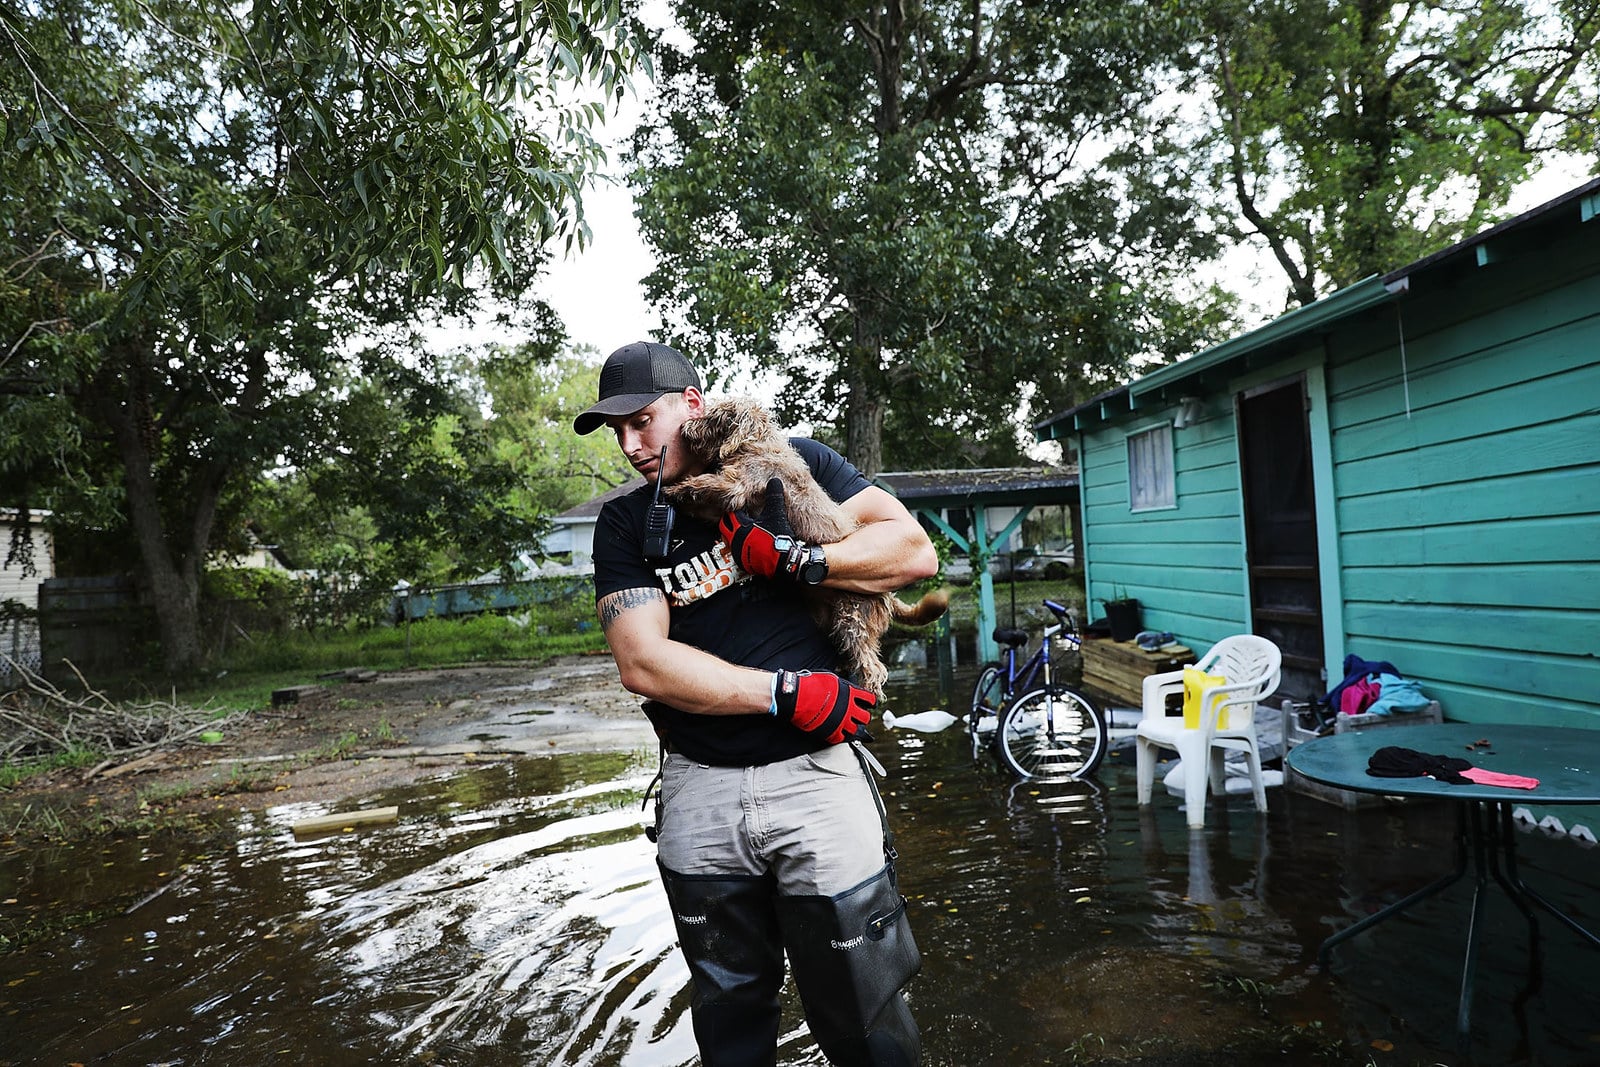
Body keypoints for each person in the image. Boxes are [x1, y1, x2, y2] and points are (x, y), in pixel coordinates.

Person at [574, 340, 938, 1067]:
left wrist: (801, 558)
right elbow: (643, 662)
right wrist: (786, 693)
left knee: (866, 1013)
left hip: (819, 785)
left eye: (643, 420)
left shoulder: (795, 461)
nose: (630, 445)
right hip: (700, 791)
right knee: (730, 1016)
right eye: (617, 431)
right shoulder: (625, 525)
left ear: (694, 404)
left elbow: (912, 553)